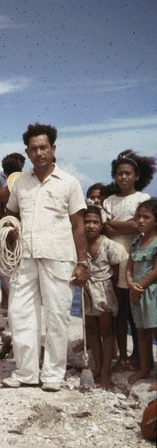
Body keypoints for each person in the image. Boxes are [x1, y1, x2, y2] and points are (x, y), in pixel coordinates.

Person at [2, 123, 88, 392]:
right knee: (20, 313)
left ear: (53, 149)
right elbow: (9, 214)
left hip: (59, 256)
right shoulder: (21, 184)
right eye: (33, 149)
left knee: (57, 315)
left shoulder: (70, 183)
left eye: (44, 147)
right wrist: (10, 230)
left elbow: (78, 225)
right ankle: (26, 372)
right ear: (27, 152)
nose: (39, 153)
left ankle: (52, 375)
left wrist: (83, 263)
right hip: (25, 256)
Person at [103, 150, 155, 372]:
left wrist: (117, 225)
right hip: (113, 258)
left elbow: (138, 227)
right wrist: (117, 225)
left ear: (136, 176)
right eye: (119, 174)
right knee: (119, 310)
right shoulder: (109, 200)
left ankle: (138, 356)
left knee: (137, 310)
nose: (123, 177)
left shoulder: (142, 199)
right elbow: (105, 228)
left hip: (136, 257)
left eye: (128, 173)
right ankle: (122, 355)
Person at [82, 205, 121, 389]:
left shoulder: (108, 245)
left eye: (95, 222)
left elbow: (115, 271)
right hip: (87, 291)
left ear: (102, 224)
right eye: (87, 221)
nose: (90, 226)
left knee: (106, 330)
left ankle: (106, 369)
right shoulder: (79, 243)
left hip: (104, 291)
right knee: (91, 329)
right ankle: (97, 365)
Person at [126, 199, 157, 391]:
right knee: (141, 333)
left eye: (146, 217)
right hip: (136, 293)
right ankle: (145, 368)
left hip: (152, 293)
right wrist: (131, 285)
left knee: (155, 331)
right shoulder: (137, 241)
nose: (141, 221)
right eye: (138, 217)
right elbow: (129, 268)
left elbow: (155, 270)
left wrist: (140, 286)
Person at [0, 153, 26, 309]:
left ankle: (6, 303)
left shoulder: (3, 192)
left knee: (5, 269)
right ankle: (13, 305)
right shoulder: (28, 188)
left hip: (6, 233)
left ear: (4, 172)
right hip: (23, 235)